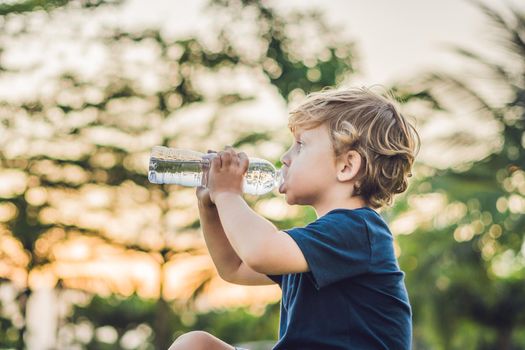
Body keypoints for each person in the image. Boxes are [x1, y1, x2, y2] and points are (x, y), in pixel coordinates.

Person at [168, 86, 420, 350]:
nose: (284, 158)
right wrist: (209, 206)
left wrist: (229, 194)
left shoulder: (360, 231)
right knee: (195, 345)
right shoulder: (312, 245)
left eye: (300, 146)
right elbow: (235, 266)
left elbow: (259, 251)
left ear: (346, 166)